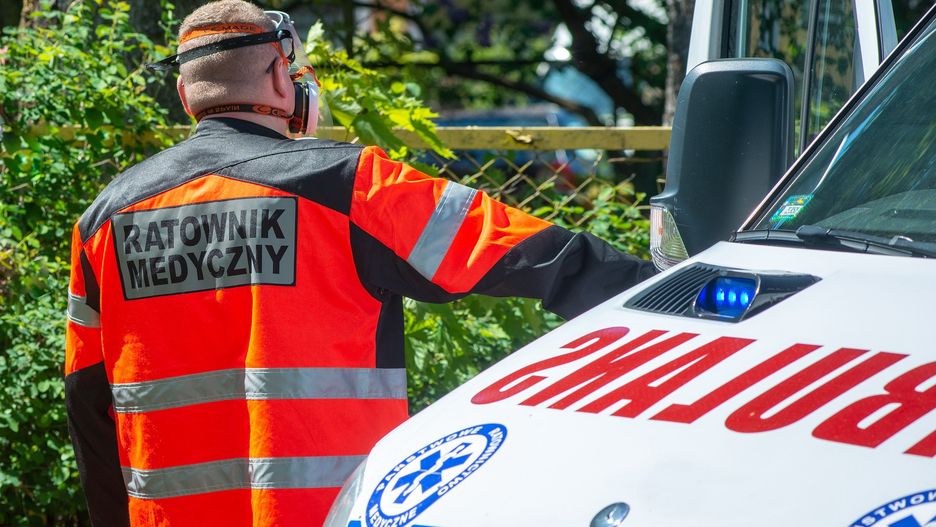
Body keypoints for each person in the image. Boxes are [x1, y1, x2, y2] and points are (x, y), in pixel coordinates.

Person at [63, 1, 656, 525]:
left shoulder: (103, 221)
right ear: (278, 75)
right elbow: (537, 255)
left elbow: (88, 401)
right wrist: (678, 294)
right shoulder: (347, 182)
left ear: (187, 92)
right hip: (334, 511)